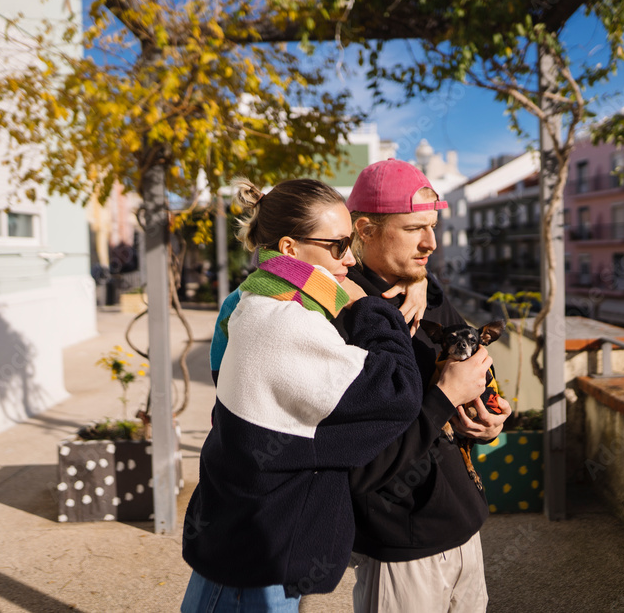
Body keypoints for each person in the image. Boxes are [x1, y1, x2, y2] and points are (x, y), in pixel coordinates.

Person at [180, 177, 491, 612]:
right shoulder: (290, 320)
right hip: (257, 551)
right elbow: (396, 393)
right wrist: (365, 305)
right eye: (338, 245)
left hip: (257, 540)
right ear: (289, 248)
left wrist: (420, 282)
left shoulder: (263, 297)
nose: (348, 258)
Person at [336, 159, 513, 613]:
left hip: (463, 520)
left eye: (433, 226)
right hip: (401, 539)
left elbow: (474, 368)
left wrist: (488, 415)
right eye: (416, 228)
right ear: (366, 229)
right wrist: (447, 395)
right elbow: (360, 454)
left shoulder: (428, 291)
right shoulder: (341, 310)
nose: (431, 242)